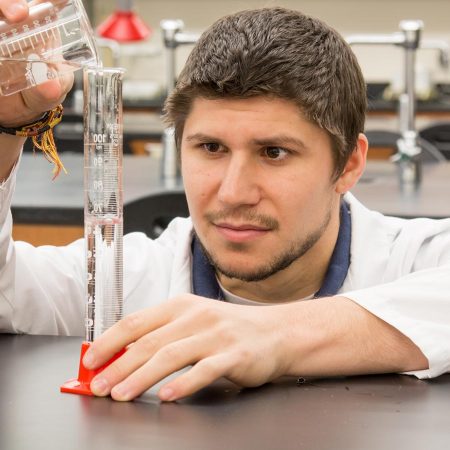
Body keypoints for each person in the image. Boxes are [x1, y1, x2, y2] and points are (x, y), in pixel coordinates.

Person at [1, 3, 449, 403]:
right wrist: (5, 126)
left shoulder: (409, 260)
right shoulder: (129, 277)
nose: (234, 192)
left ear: (349, 165)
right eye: (211, 148)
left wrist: (275, 335)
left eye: (274, 152)